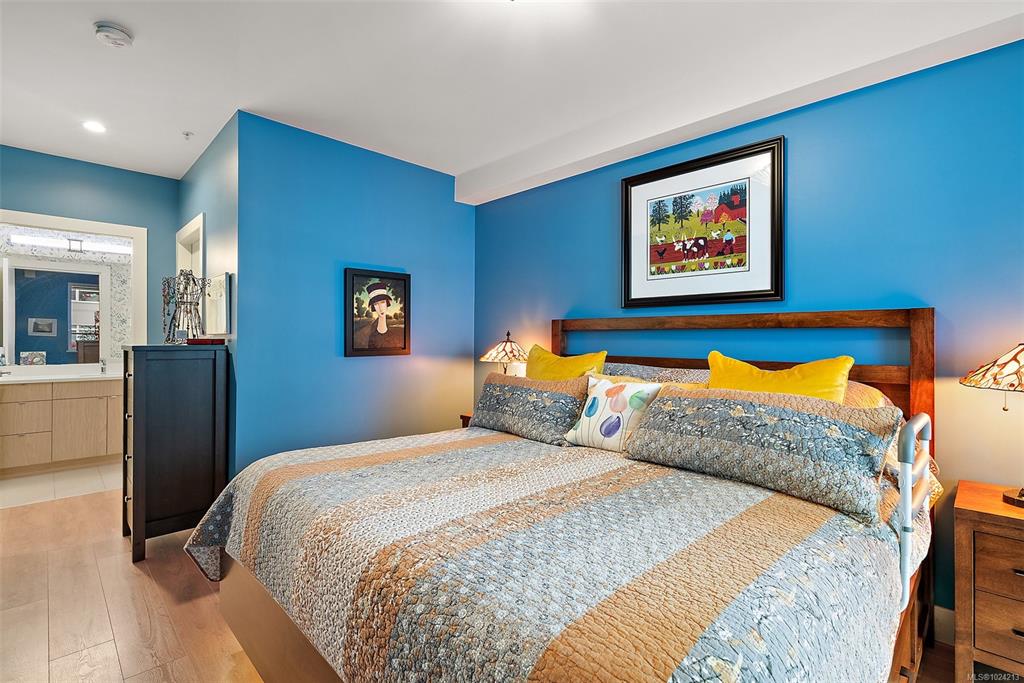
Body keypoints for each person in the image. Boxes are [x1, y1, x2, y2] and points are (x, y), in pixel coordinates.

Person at [354, 281, 404, 349]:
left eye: (382, 302)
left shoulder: (397, 335)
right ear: (373, 307)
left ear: (387, 303)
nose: (380, 308)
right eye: (376, 304)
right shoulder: (372, 338)